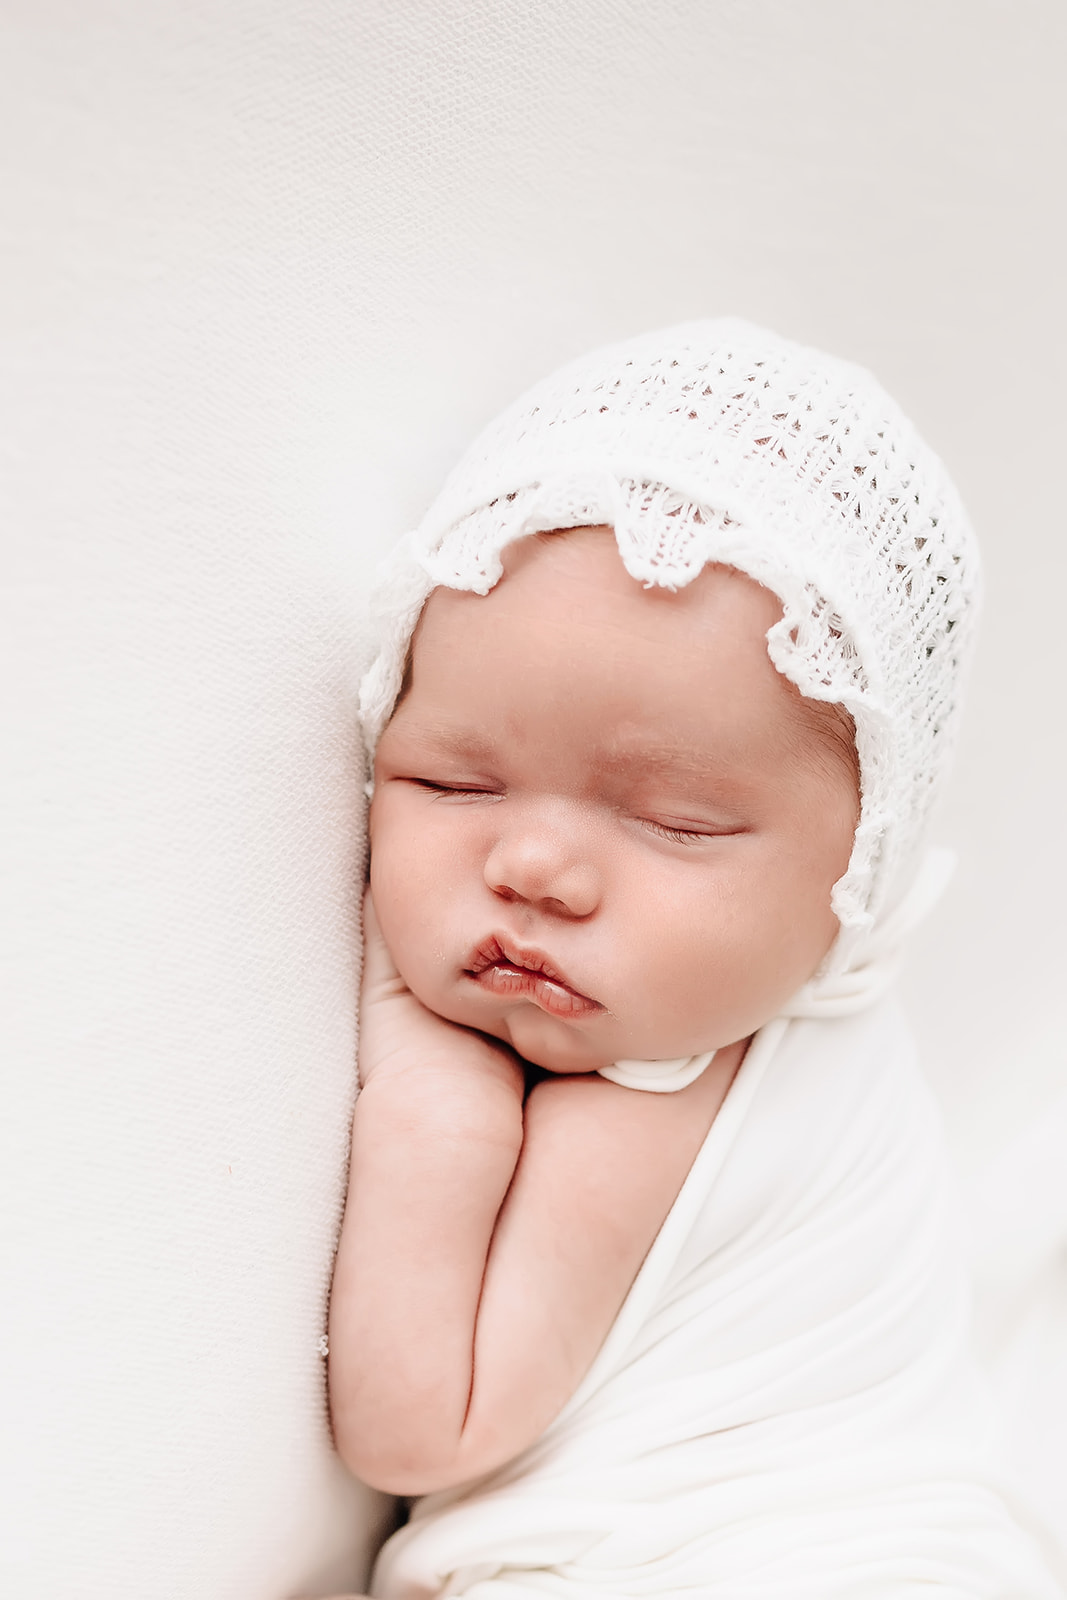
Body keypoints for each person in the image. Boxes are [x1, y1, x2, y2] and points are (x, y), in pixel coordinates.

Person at [321, 322, 1064, 1598]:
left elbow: (415, 1425)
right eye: (455, 780)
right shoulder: (758, 995)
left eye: (677, 823)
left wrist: (432, 1103)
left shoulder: (656, 1101)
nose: (536, 866)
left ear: (857, 874)